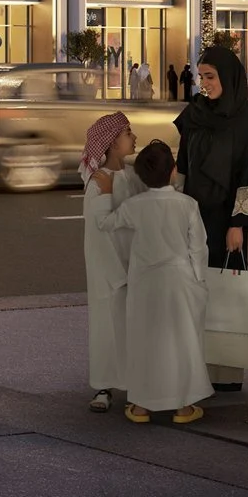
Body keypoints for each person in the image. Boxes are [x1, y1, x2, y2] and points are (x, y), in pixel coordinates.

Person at [93, 140, 211, 424]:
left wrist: (106, 194)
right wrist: (199, 281)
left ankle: (141, 406)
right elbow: (199, 247)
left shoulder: (134, 206)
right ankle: (184, 408)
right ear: (173, 171)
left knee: (145, 340)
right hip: (180, 279)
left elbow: (105, 223)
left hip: (145, 280)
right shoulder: (187, 204)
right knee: (183, 340)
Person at [177, 44, 248, 393]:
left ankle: (225, 372)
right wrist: (174, 209)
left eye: (210, 76)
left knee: (227, 293)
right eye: (200, 76)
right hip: (192, 213)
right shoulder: (195, 112)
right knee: (193, 291)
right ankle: (194, 367)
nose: (204, 83)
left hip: (226, 218)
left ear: (228, 76)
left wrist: (239, 224)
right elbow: (182, 165)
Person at [79, 111, 144, 413]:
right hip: (110, 270)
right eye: (127, 133)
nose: (133, 138)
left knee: (131, 327)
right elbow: (100, 231)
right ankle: (104, 387)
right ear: (112, 143)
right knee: (107, 324)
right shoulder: (99, 183)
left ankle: (134, 384)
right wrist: (119, 272)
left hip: (132, 264)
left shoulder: (129, 176)